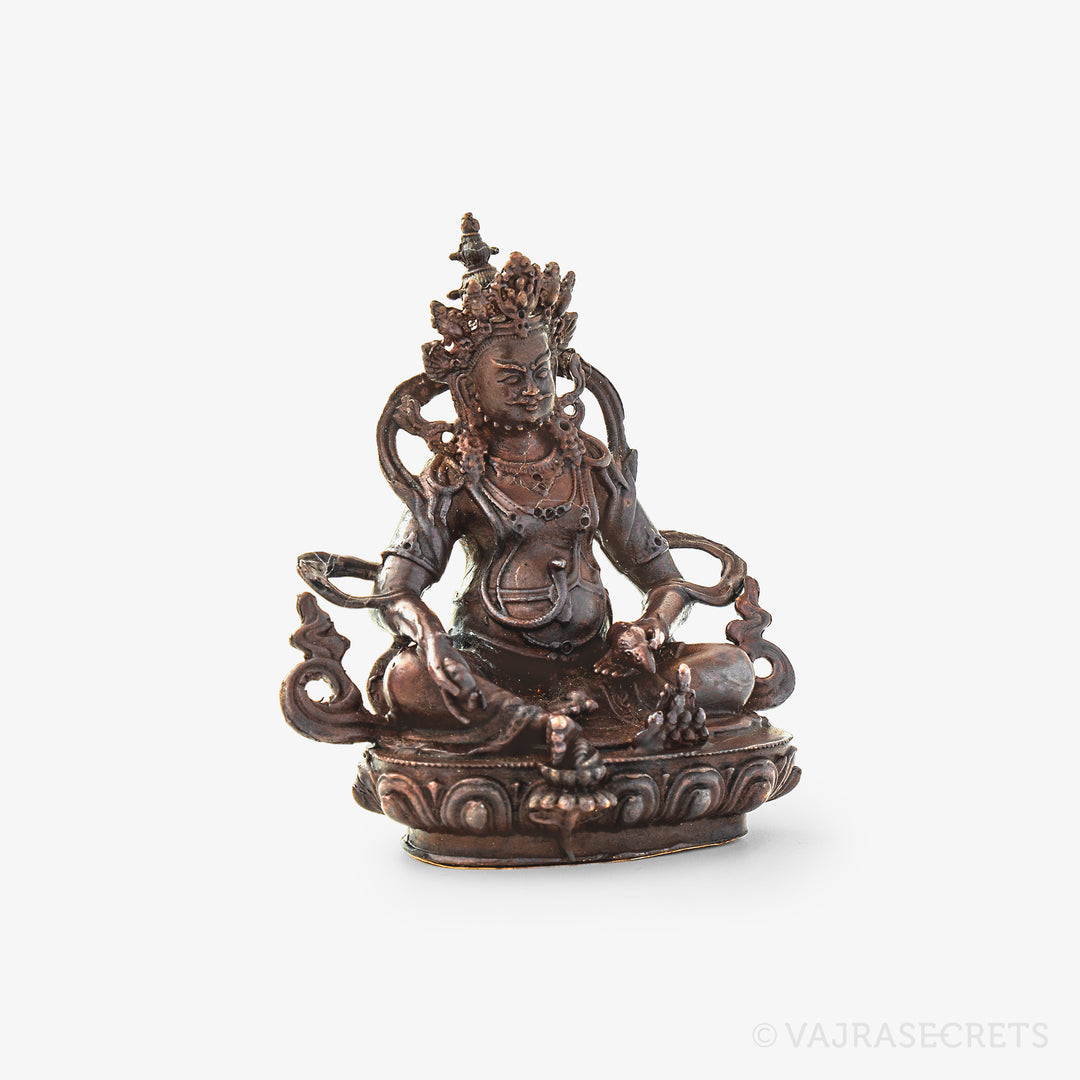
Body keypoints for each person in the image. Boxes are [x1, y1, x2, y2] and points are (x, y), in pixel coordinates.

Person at [365, 216, 760, 754]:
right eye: (510, 377)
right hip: (490, 665)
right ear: (470, 389)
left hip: (597, 665)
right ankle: (537, 721)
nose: (531, 390)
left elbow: (665, 580)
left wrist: (650, 629)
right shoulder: (454, 476)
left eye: (541, 372)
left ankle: (566, 717)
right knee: (409, 678)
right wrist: (432, 640)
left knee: (731, 668)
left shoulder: (590, 464)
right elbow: (393, 591)